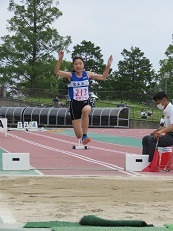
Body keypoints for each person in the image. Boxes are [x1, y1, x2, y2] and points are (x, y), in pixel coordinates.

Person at [54, 50, 113, 145]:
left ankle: (85, 135)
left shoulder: (87, 74)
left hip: (85, 102)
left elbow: (103, 77)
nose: (78, 66)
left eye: (80, 63)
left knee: (85, 111)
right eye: (76, 64)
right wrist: (60, 59)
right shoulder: (70, 75)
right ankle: (82, 135)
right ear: (73, 66)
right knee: (78, 135)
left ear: (83, 65)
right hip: (74, 105)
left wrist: (108, 65)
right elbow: (56, 72)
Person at [142, 91, 173, 165]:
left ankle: (152, 164)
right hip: (169, 135)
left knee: (152, 139)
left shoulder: (172, 109)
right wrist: (157, 130)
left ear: (164, 100)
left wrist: (161, 132)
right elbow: (168, 125)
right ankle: (144, 162)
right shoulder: (166, 110)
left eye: (157, 103)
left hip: (172, 136)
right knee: (145, 138)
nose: (157, 105)